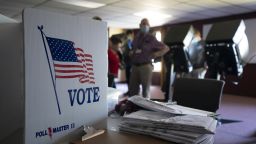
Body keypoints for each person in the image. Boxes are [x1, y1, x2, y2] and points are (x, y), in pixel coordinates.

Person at [129, 18, 169, 98]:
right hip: (134, 66)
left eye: (146, 24)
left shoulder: (151, 38)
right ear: (140, 25)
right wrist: (131, 53)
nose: (144, 26)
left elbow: (166, 48)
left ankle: (145, 108)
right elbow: (134, 49)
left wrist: (157, 54)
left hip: (146, 66)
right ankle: (133, 108)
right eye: (143, 24)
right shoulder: (136, 37)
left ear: (149, 26)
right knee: (133, 90)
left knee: (145, 91)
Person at [123, 30, 134, 95]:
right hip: (127, 62)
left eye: (129, 34)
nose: (128, 36)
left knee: (130, 78)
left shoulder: (129, 41)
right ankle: (129, 90)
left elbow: (130, 50)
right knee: (128, 77)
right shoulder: (127, 41)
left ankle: (131, 91)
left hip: (130, 63)